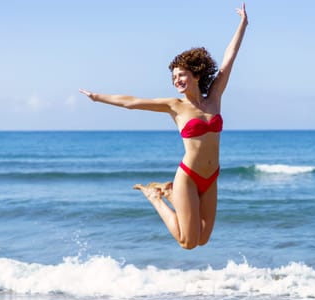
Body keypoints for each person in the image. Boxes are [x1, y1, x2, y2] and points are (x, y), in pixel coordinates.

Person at [80, 3, 248, 249]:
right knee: (187, 243)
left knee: (203, 238)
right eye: (173, 78)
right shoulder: (174, 106)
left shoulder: (214, 98)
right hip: (188, 177)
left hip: (211, 177)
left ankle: (169, 194)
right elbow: (132, 102)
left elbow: (229, 58)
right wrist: (98, 96)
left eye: (181, 75)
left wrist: (243, 24)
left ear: (196, 75)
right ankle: (156, 197)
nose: (177, 80)